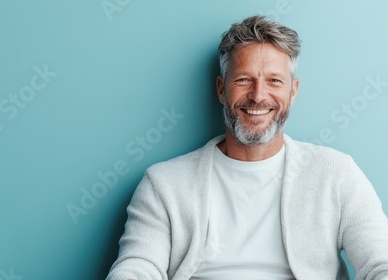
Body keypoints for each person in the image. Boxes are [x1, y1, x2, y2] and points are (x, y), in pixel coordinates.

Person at [106, 15, 388, 280]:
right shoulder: (164, 183)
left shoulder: (336, 173)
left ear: (293, 91)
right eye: (243, 80)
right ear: (221, 89)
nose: (258, 96)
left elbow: (381, 263)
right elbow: (137, 267)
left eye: (274, 81)